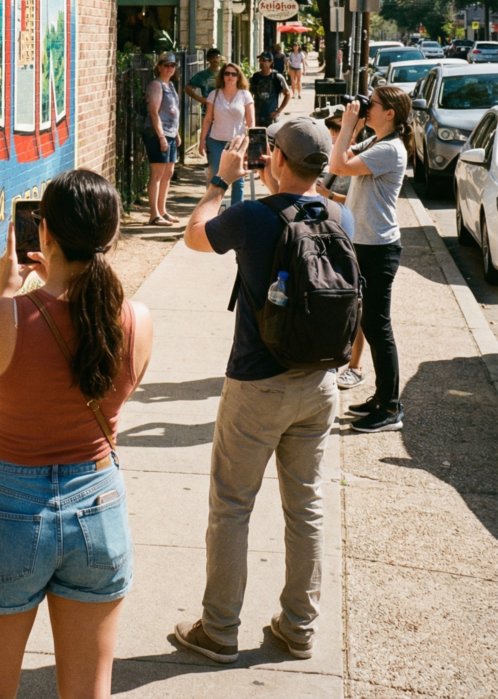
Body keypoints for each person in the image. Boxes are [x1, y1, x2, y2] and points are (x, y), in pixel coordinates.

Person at [0, 169, 153, 699]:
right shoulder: (136, 319)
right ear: (109, 236)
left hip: (10, 509)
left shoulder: (3, 317)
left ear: (43, 232)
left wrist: (5, 292)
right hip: (99, 502)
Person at [175, 119, 352, 663]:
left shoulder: (252, 216)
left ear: (275, 157)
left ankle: (220, 629)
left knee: (232, 506)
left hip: (258, 383)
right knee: (306, 505)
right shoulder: (337, 215)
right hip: (320, 382)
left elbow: (193, 234)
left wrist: (218, 182)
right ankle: (299, 627)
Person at [329, 85, 412, 432]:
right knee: (369, 323)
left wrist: (350, 122)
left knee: (378, 327)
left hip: (378, 247)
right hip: (365, 243)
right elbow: (342, 154)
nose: (366, 107)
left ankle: (390, 408)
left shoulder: (390, 149)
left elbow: (338, 164)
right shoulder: (378, 142)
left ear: (390, 113)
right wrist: (356, 125)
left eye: (372, 105)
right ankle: (381, 398)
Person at [316, 106, 365, 391]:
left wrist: (328, 194)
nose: (331, 140)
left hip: (353, 236)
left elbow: (356, 201)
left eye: (333, 134)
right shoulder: (334, 159)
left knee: (354, 304)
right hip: (332, 236)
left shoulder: (355, 159)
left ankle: (355, 365)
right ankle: (334, 356)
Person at [199, 63, 254, 206]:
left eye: (233, 74)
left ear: (238, 77)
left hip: (238, 143)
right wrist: (202, 140)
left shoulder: (245, 95)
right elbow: (207, 119)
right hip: (216, 141)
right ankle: (212, 211)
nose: (230, 77)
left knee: (238, 180)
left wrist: (251, 143)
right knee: (216, 178)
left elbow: (251, 122)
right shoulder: (214, 94)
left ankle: (235, 214)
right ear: (222, 76)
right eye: (227, 73)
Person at [142, 51, 182, 224]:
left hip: (171, 133)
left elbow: (173, 112)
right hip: (158, 134)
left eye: (172, 65)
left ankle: (163, 210)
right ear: (159, 67)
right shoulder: (156, 85)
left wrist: (177, 133)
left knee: (168, 173)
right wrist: (161, 137)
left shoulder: (170, 85)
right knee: (157, 174)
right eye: (166, 65)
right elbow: (154, 112)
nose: (169, 68)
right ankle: (154, 214)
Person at [249, 51, 291, 127]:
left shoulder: (277, 77)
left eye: (264, 60)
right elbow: (249, 96)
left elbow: (287, 94)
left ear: (271, 62)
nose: (261, 62)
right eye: (260, 60)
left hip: (272, 117)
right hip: (257, 117)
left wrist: (278, 111)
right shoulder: (255, 77)